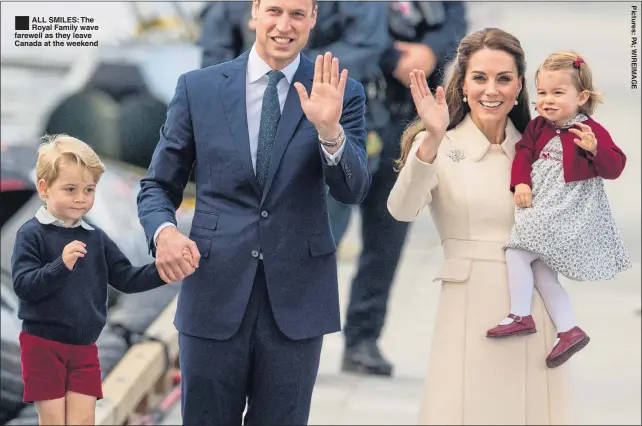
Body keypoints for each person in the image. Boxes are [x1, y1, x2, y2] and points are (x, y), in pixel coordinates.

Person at [136, 0, 371, 423]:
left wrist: (330, 131)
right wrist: (164, 233)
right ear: (254, 13)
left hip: (298, 301)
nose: (285, 25)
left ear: (313, 19)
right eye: (275, 11)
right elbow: (157, 185)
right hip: (213, 291)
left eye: (298, 14)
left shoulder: (340, 91)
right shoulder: (198, 88)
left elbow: (353, 190)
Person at [387, 28, 574, 424]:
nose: (492, 90)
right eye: (480, 77)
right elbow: (402, 210)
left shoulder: (540, 148)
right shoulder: (440, 143)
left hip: (532, 309)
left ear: (521, 85)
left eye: (504, 79)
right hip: (468, 306)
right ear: (463, 84)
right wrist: (431, 138)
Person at [338, 0, 468, 377]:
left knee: (388, 234)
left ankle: (363, 339)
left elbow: (455, 22)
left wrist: (431, 52)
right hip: (347, 115)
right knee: (320, 235)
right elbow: (323, 31)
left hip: (409, 118)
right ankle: (294, 334)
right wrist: (389, 56)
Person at [11, 135, 169, 426]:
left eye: (89, 189)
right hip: (44, 346)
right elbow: (24, 285)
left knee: (84, 420)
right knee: (55, 420)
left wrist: (163, 271)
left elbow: (126, 277)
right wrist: (61, 265)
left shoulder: (95, 238)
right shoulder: (30, 235)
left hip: (84, 346)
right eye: (70, 189)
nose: (81, 198)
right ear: (44, 188)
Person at [487, 51, 631, 368]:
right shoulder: (539, 126)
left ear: (581, 97)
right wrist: (521, 183)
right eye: (541, 93)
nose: (547, 100)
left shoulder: (589, 130)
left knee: (517, 252)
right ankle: (569, 329)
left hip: (565, 211)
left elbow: (615, 167)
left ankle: (520, 314)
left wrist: (595, 149)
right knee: (541, 271)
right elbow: (523, 155)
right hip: (541, 204)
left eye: (557, 93)